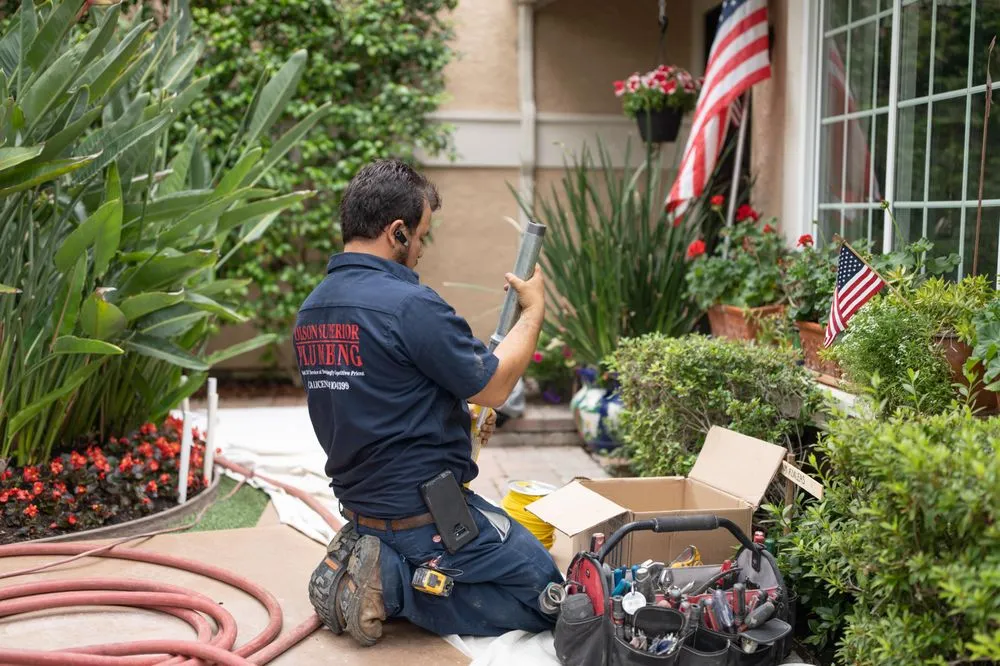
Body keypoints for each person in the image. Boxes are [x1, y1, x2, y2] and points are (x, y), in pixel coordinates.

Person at [295, 159, 563, 647]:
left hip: (363, 509)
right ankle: (393, 586)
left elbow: (389, 389)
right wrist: (534, 313)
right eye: (421, 235)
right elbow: (495, 386)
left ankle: (378, 562)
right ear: (396, 232)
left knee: (498, 567)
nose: (420, 250)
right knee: (548, 596)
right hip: (430, 520)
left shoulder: (313, 309)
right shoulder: (409, 306)